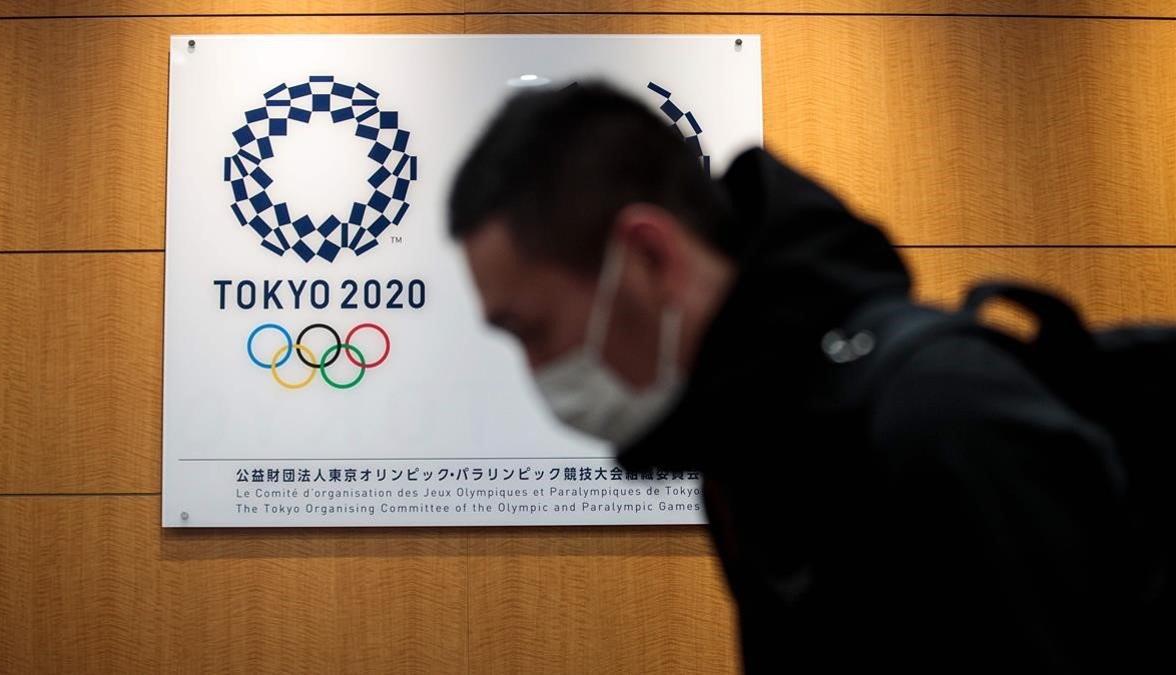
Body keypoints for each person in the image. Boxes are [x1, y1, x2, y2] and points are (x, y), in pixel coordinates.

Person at [447, 82, 1135, 673]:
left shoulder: (941, 417)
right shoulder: (749, 439)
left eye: (533, 330)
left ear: (652, 257)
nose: (538, 372)